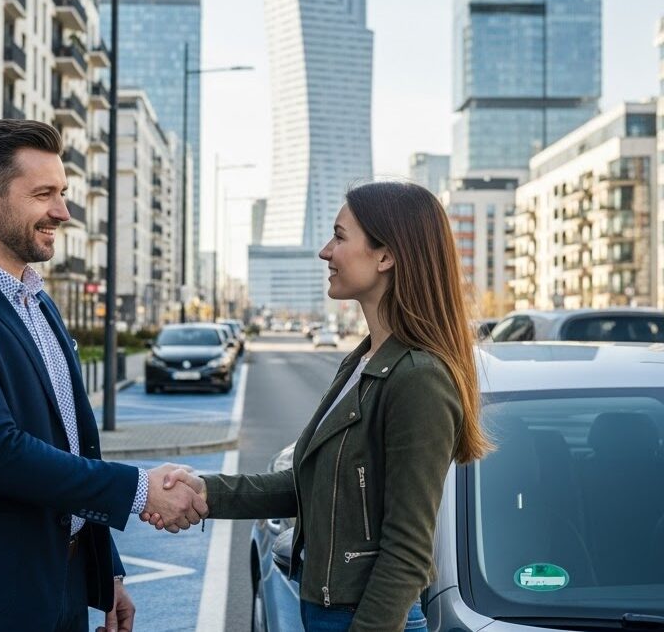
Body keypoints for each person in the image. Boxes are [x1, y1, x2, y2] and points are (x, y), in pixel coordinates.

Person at [0, 119, 207, 632]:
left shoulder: (37, 301)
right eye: (44, 194)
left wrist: (108, 576)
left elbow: (76, 448)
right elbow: (1, 453)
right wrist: (140, 490)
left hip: (65, 587)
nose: (63, 211)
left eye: (62, 193)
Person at [147, 182, 492, 631]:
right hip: (330, 611)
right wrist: (204, 490)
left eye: (340, 236)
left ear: (386, 256)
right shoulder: (364, 361)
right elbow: (309, 484)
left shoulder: (418, 377)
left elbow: (408, 552)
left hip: (366, 619)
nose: (325, 252)